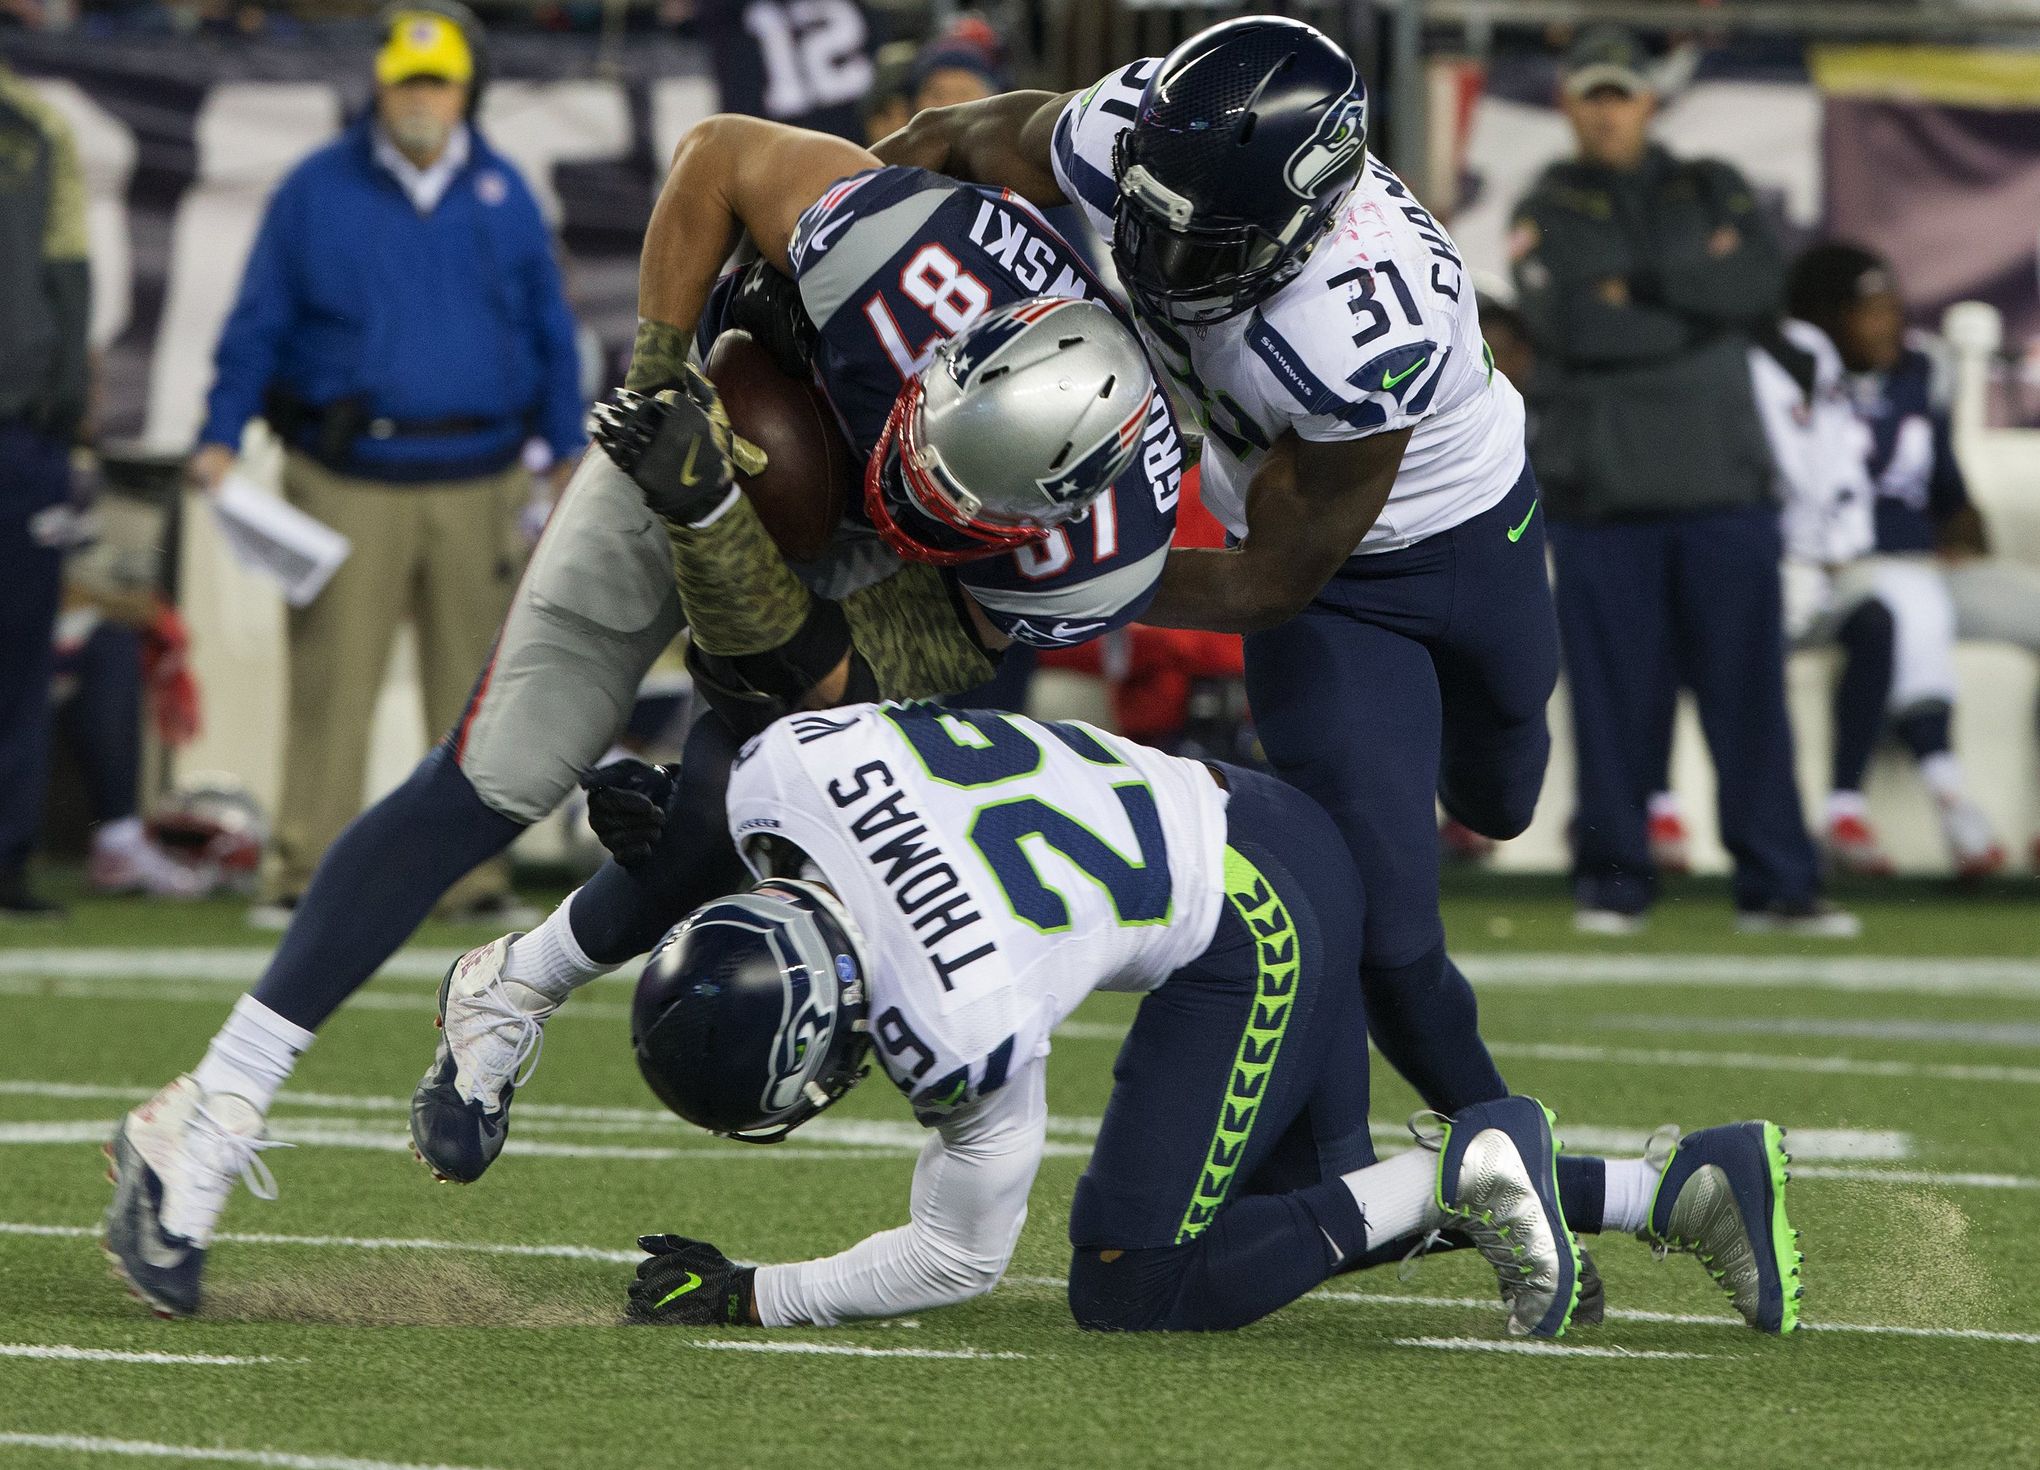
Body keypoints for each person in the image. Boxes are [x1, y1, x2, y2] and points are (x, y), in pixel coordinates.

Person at [476, 14, 1796, 1337]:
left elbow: (1278, 572)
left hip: (1439, 538)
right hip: (1295, 634)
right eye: (1149, 218)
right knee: (1393, 939)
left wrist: (1043, 573)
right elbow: (946, 147)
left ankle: (1538, 1172)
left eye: (1199, 244)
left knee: (1504, 795)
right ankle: (1538, 1170)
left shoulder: (1360, 328)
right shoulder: (1123, 137)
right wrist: (839, 273)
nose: (1159, 262)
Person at [103, 113, 1184, 1317]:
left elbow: (828, 684)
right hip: (721, 423)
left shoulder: (1090, 563)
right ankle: (214, 1101)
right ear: (953, 358)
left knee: (750, 806)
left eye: (963, 500)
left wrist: (725, 530)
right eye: (926, 449)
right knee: (500, 773)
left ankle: (514, 983)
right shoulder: (903, 256)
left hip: (871, 586)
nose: (921, 486)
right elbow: (718, 152)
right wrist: (664, 374)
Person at [188, 4, 584, 927]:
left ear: (465, 90)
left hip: (480, 470)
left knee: (476, 699)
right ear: (378, 84)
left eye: (438, 82)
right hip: (345, 474)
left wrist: (566, 446)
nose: (422, 100)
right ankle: (302, 877)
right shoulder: (314, 191)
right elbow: (257, 326)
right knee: (332, 690)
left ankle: (468, 881)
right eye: (408, 81)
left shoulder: (504, 192)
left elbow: (548, 330)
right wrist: (217, 431)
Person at [1509, 28, 1852, 935]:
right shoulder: (1552, 199)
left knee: (1750, 701)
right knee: (1613, 706)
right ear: (1569, 104)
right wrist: (1696, 302)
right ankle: (1613, 884)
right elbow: (1577, 326)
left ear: (1650, 100)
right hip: (1604, 498)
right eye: (1593, 93)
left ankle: (1779, 884)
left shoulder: (1710, 181)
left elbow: (1759, 285)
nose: (1609, 109)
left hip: (1725, 491)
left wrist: (1638, 288)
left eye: (1622, 92)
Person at [1793, 242, 2040, 873]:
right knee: (1907, 598)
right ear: (1823, 316)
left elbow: (1949, 493)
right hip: (1837, 572)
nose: (1886, 324)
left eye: (1891, 307)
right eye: (1866, 310)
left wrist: (1963, 536)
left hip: (1922, 565)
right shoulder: (1793, 380)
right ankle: (1948, 795)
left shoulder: (1920, 372)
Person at [0, 54, 90, 918]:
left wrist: (63, 401)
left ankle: (7, 857)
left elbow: (70, 264)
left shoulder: (37, 127)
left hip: (18, 429)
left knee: (22, 654)